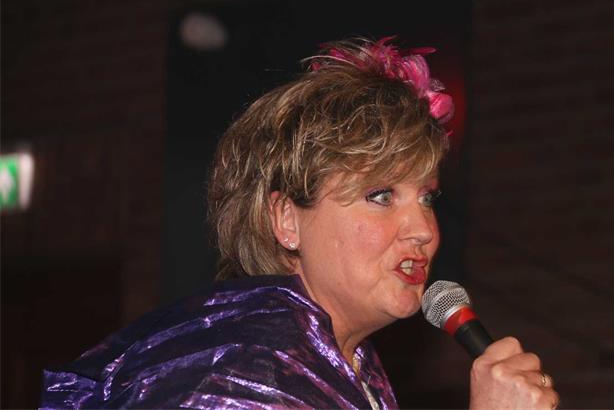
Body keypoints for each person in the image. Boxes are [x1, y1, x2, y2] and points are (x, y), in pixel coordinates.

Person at [40, 37, 558, 409]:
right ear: (287, 219)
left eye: (427, 198)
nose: (423, 228)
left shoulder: (348, 368)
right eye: (381, 196)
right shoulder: (241, 378)